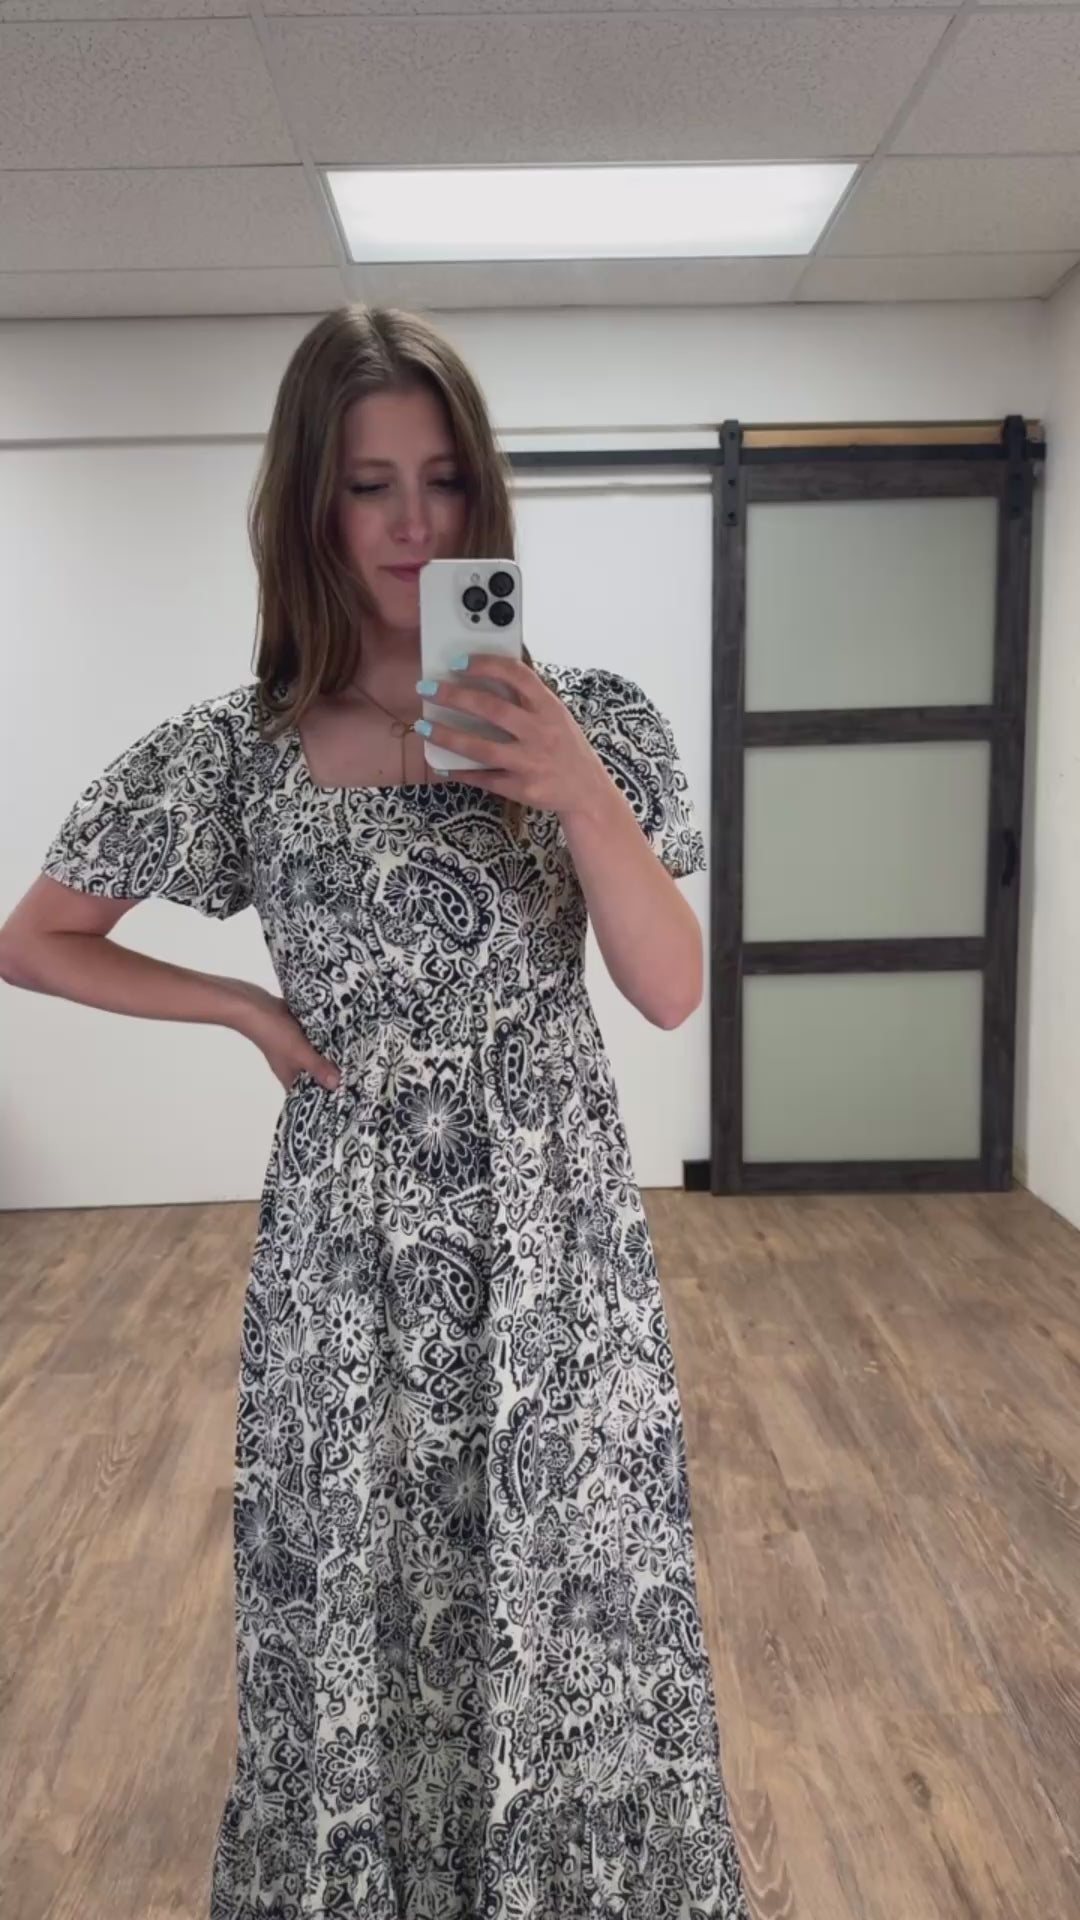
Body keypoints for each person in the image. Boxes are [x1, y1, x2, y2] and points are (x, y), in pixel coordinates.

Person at [4, 306, 750, 1919]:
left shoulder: (594, 721)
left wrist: (578, 790)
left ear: (485, 493)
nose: (415, 523)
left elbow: (671, 989)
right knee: (356, 1595)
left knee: (570, 1599)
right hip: (347, 1258)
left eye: (444, 478)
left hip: (553, 1248)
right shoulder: (241, 750)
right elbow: (37, 936)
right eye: (369, 485)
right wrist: (244, 1008)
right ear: (310, 505)